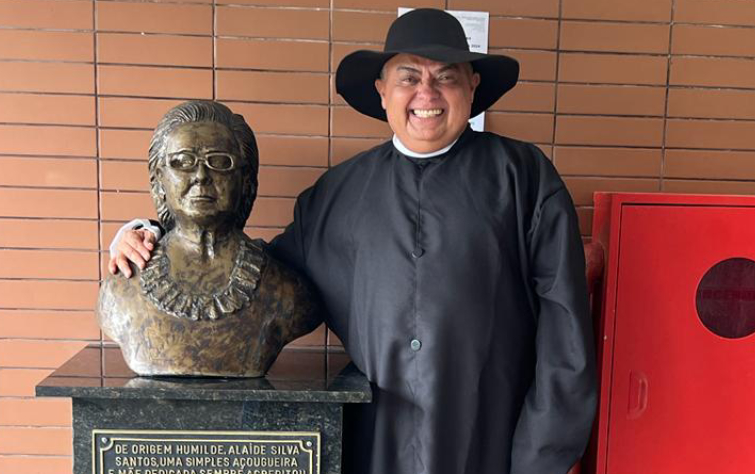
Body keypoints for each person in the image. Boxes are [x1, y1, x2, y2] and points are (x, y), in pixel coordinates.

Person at [110, 8, 597, 474]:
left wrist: (541, 455)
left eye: (446, 75)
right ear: (382, 90)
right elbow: (258, 271)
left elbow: (566, 330)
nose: (426, 91)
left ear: (472, 86)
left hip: (494, 443)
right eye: (409, 76)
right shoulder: (338, 193)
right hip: (373, 445)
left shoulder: (524, 178)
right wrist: (150, 233)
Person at [100, 101, 321, 377]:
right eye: (182, 161)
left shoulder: (285, 290)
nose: (201, 176)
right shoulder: (121, 288)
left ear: (246, 182)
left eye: (219, 162)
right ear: (158, 181)